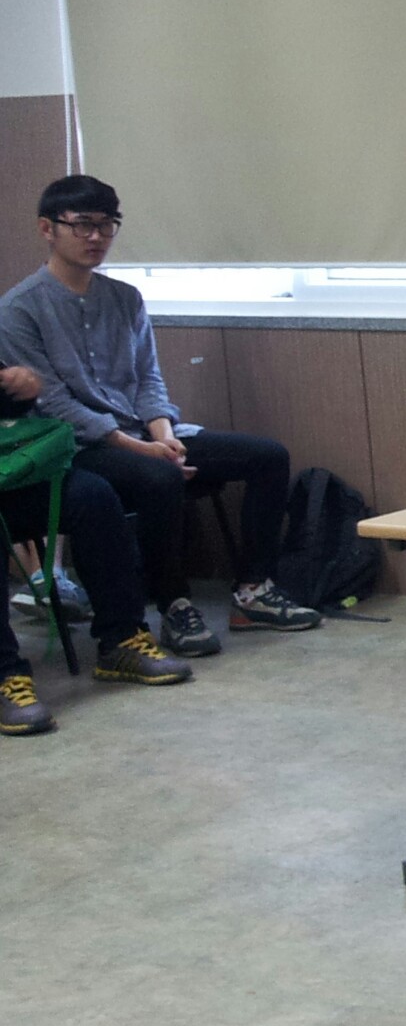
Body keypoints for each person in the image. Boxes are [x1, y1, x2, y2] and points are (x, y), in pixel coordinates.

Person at [0, 176, 321, 658]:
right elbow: (57, 407)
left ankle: (253, 591)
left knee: (267, 456)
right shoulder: (18, 310)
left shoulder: (125, 297)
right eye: (82, 225)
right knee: (158, 477)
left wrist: (163, 435)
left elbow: (148, 379)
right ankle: (174, 604)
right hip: (80, 447)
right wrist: (144, 450)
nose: (96, 237)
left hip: (143, 432)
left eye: (107, 225)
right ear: (48, 228)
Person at [0, 361, 194, 734]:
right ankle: (5, 674)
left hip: (9, 468)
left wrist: (20, 389)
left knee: (93, 496)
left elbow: (11, 414)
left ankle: (121, 639)